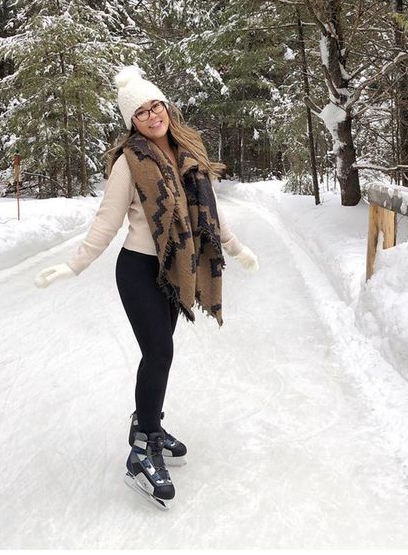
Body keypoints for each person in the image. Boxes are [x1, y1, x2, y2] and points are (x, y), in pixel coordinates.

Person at [33, 66, 259, 509]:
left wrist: (236, 248)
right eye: (140, 112)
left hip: (177, 269)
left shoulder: (189, 153)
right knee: (159, 353)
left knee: (160, 353)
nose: (151, 115)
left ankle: (147, 422)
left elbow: (212, 217)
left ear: (165, 107)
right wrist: (73, 266)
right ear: (131, 122)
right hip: (138, 270)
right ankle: (142, 449)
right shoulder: (128, 163)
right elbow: (106, 222)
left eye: (155, 105)